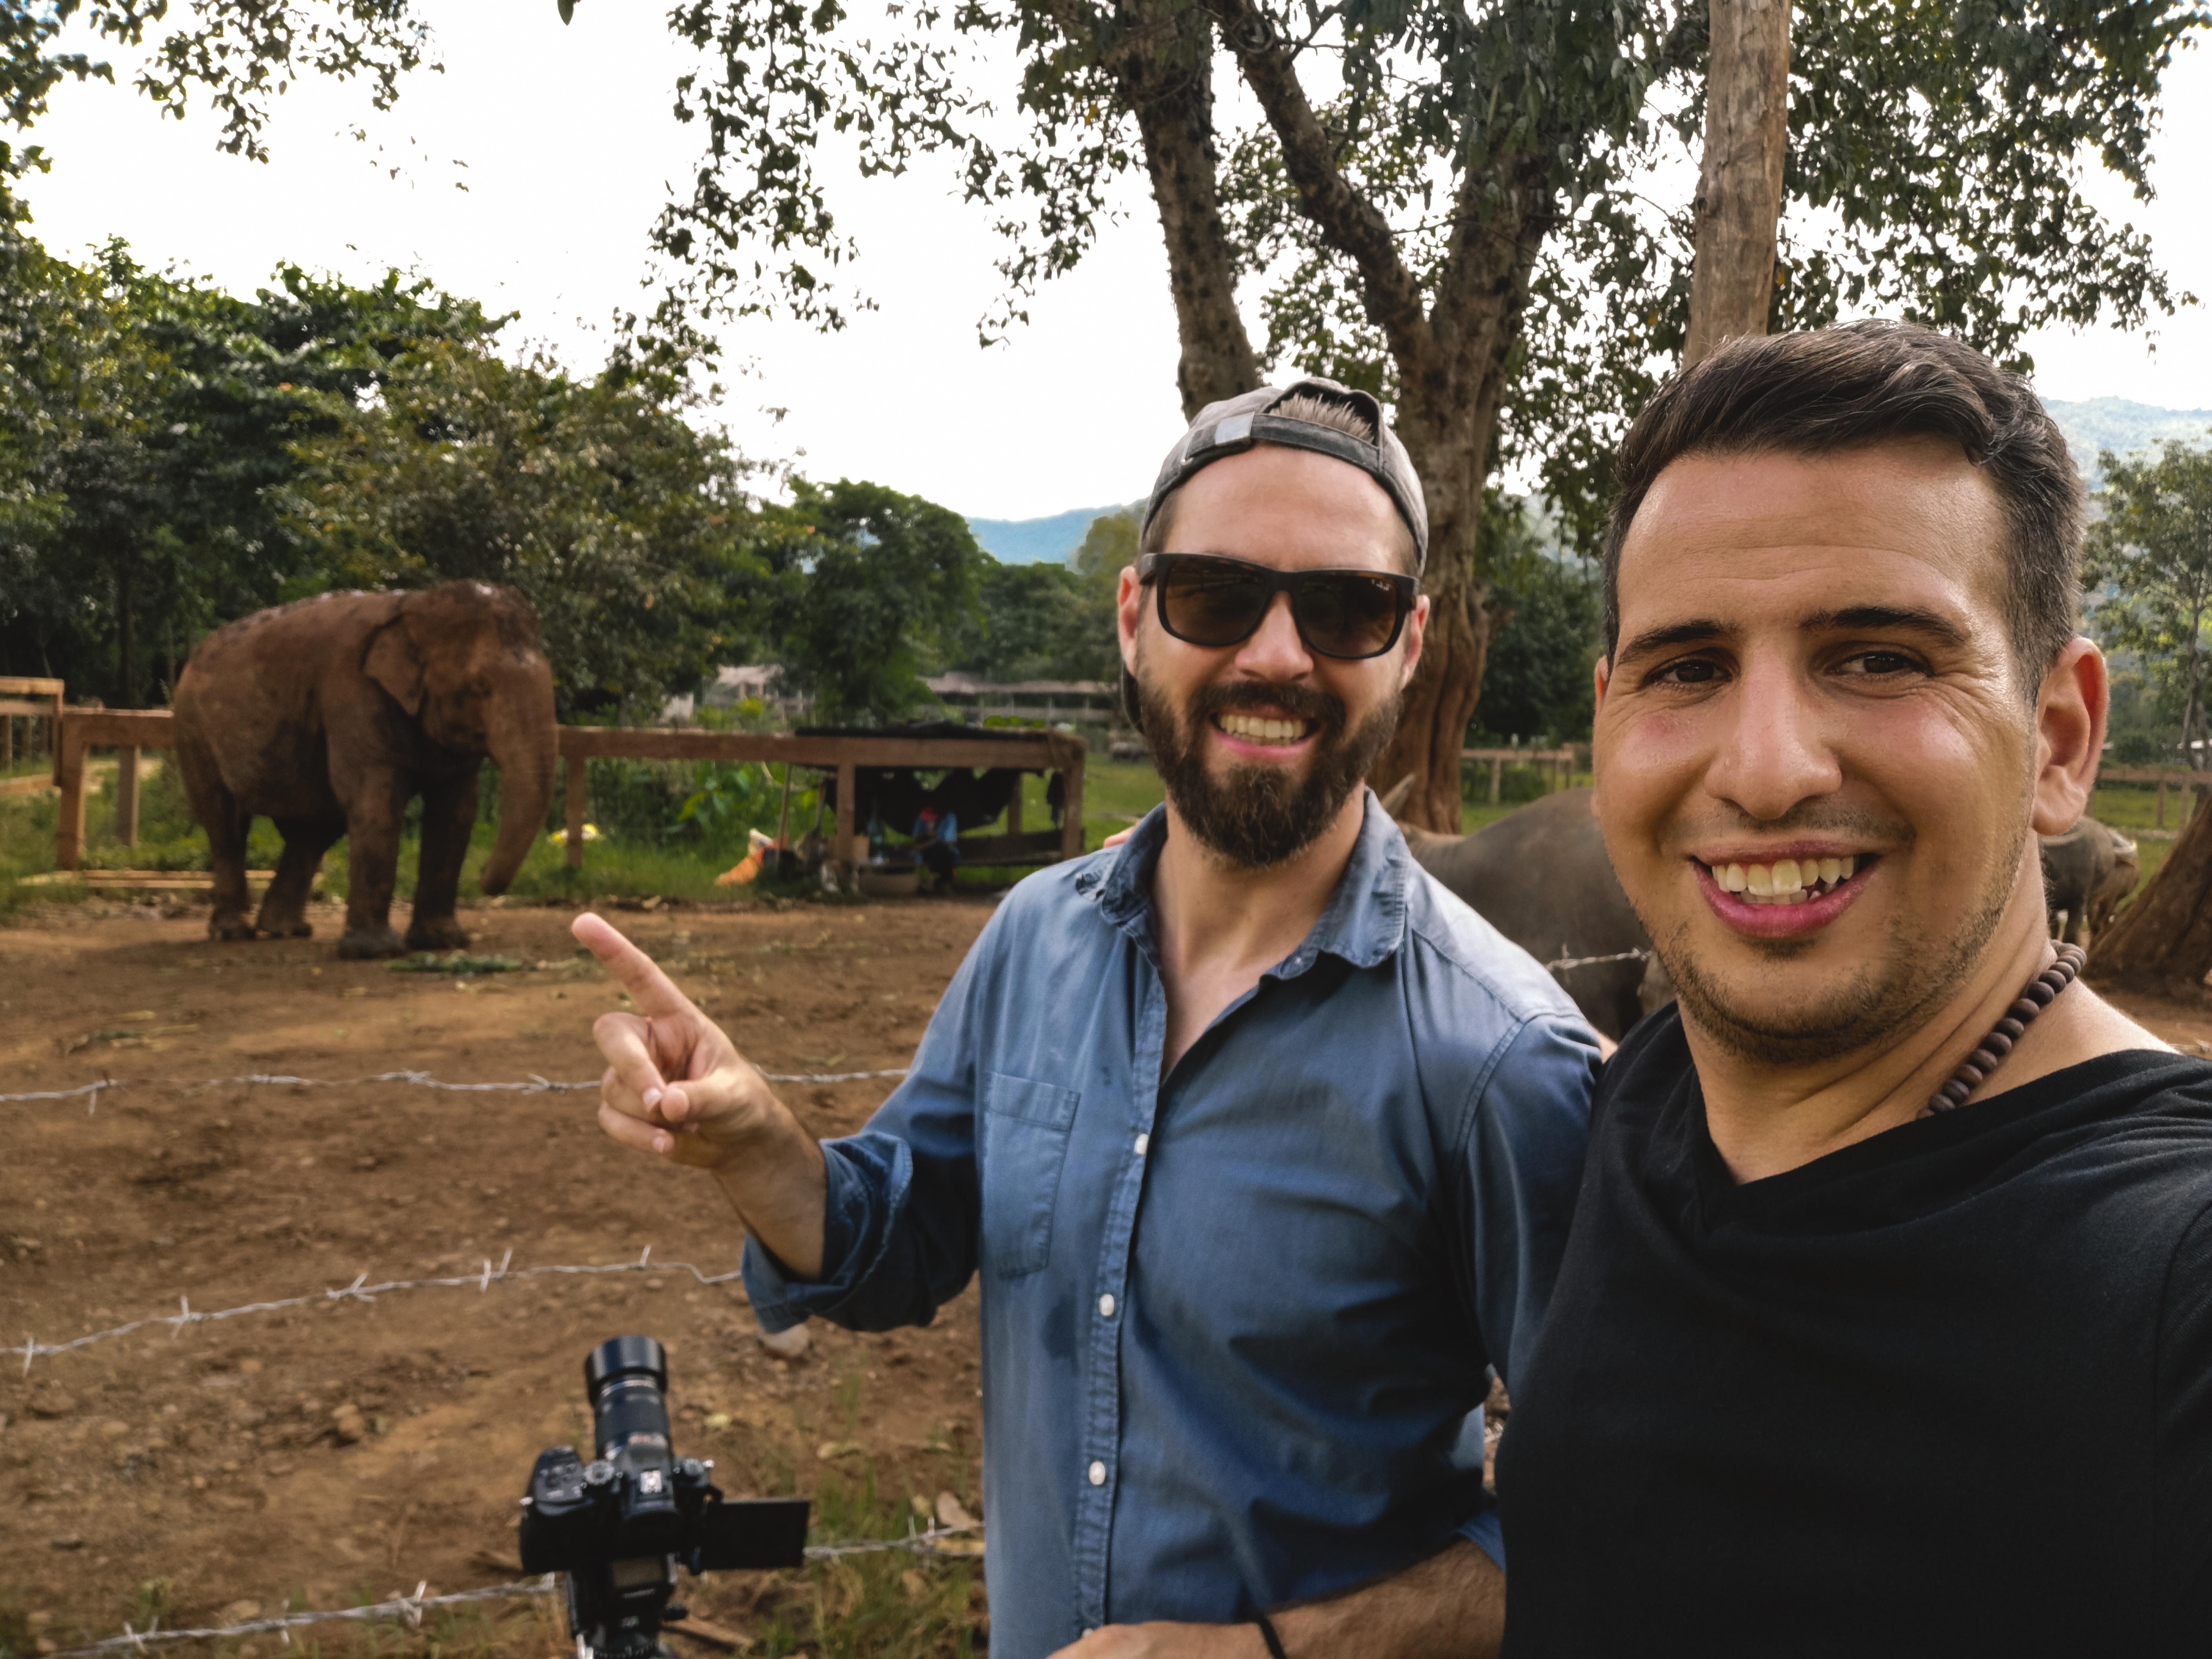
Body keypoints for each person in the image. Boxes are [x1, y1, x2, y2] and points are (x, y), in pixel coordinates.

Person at [574, 377, 1601, 1659]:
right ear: (1133, 618)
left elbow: (1617, 1530)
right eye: (1216, 596)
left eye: (1345, 608)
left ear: (1408, 644)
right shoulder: (1034, 939)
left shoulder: (1500, 1060)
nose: (1275, 654)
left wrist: (1272, 1653)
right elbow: (896, 1239)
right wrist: (756, 1147)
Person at [1494, 321, 2212, 1657]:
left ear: (2059, 742)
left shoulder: (2170, 1288)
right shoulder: (1652, 1108)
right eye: (1688, 668)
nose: (1765, 770)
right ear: (1606, 726)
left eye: (1879, 656)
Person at [912, 804, 960, 893]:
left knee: (941, 850)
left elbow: (948, 841)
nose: (929, 823)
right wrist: (927, 835)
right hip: (927, 852)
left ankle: (931, 881)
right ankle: (945, 882)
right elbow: (916, 842)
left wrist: (929, 844)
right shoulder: (922, 818)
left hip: (943, 850)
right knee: (941, 852)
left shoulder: (949, 818)